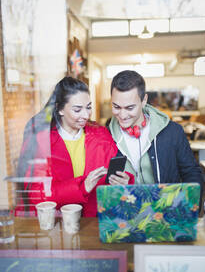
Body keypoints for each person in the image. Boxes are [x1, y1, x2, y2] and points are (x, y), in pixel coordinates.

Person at [16, 77, 133, 217]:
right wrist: (82, 187)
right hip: (58, 225)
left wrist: (125, 181)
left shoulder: (101, 135)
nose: (85, 115)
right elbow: (37, 194)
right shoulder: (42, 141)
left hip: (96, 222)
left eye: (88, 107)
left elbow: (114, 178)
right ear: (60, 109)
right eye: (77, 110)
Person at [107, 70, 203, 201]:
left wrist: (188, 209)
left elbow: (192, 174)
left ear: (144, 100)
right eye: (116, 107)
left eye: (130, 108)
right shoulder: (105, 135)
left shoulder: (173, 132)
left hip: (167, 213)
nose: (122, 115)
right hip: (127, 214)